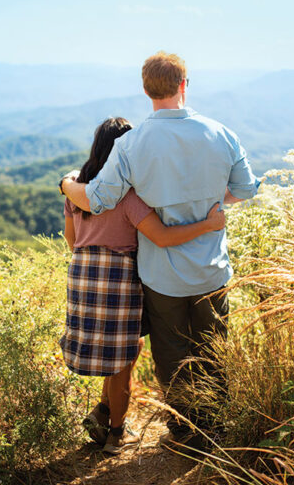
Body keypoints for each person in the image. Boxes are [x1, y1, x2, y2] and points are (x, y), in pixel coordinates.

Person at [60, 52, 260, 452]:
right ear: (184, 85)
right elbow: (245, 189)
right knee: (213, 348)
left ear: (146, 89)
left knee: (171, 355)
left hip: (161, 275)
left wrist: (65, 186)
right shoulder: (221, 133)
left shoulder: (132, 144)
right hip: (212, 270)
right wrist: (208, 203)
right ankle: (214, 428)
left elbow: (99, 199)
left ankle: (184, 430)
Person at [60, 116, 226, 455]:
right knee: (122, 358)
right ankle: (117, 436)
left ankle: (104, 413)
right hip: (118, 276)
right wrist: (208, 225)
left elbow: (71, 237)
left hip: (81, 273)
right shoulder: (128, 196)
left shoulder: (79, 188)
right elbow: (162, 237)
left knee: (124, 350)